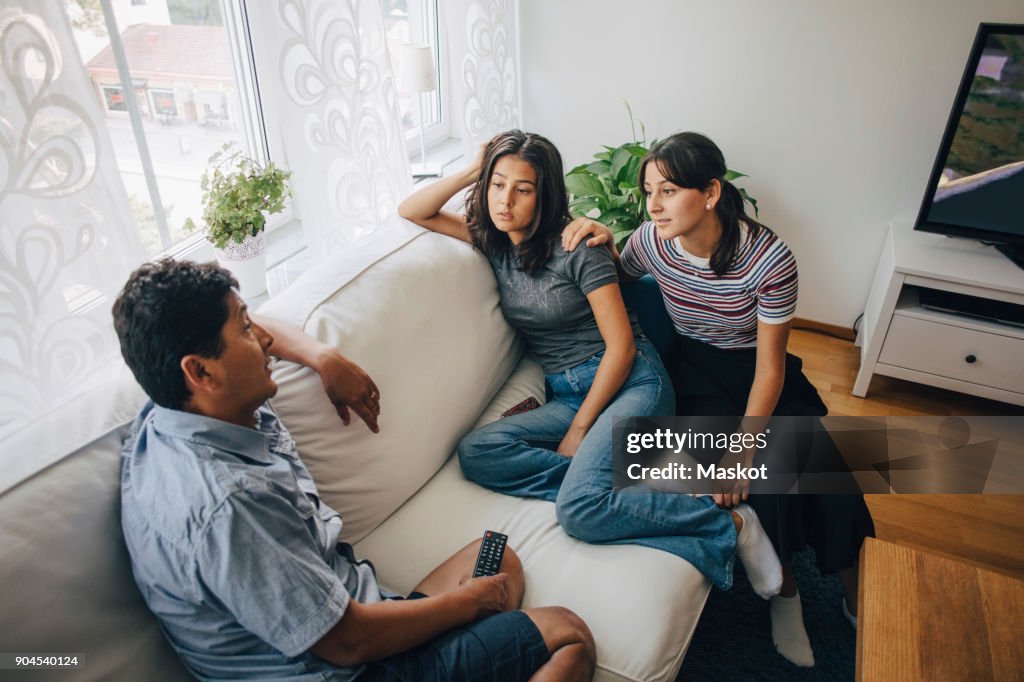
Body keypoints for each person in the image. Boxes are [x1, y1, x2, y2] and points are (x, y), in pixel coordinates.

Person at [112, 258, 596, 681]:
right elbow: (345, 643)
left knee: (499, 558)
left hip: (354, 612)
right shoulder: (228, 503)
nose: (262, 338)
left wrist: (321, 356)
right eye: (243, 330)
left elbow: (265, 328)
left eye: (250, 320)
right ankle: (652, 482)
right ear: (200, 371)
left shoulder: (175, 414)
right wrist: (469, 603)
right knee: (567, 630)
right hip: (347, 663)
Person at [397, 129, 784, 600]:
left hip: (630, 383)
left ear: (545, 195)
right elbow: (412, 210)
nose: (505, 201)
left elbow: (621, 349)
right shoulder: (494, 242)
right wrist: (478, 168)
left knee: (579, 511)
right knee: (479, 452)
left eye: (522, 189)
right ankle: (622, 484)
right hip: (567, 390)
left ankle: (732, 523)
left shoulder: (577, 247)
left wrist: (579, 429)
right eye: (497, 186)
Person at [563, 131, 875, 668]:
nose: (653, 205)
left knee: (825, 474)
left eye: (667, 191)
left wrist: (743, 450)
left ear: (709, 192)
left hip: (756, 370)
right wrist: (602, 239)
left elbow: (770, 365)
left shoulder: (769, 258)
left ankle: (858, 597)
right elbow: (619, 279)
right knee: (767, 490)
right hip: (696, 372)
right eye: (647, 192)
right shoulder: (651, 240)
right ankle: (787, 597)